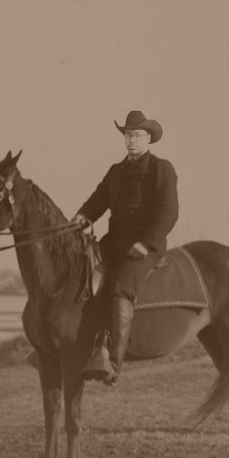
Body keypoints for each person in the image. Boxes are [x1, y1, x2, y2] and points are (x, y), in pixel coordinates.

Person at [70, 110, 179, 384]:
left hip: (146, 247)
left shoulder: (161, 169)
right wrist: (81, 217)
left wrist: (146, 243)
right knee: (81, 270)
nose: (132, 140)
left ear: (148, 139)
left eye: (138, 136)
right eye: (128, 135)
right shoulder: (116, 171)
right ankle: (65, 344)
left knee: (120, 288)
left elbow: (169, 212)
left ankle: (112, 363)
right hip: (114, 243)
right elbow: (96, 202)